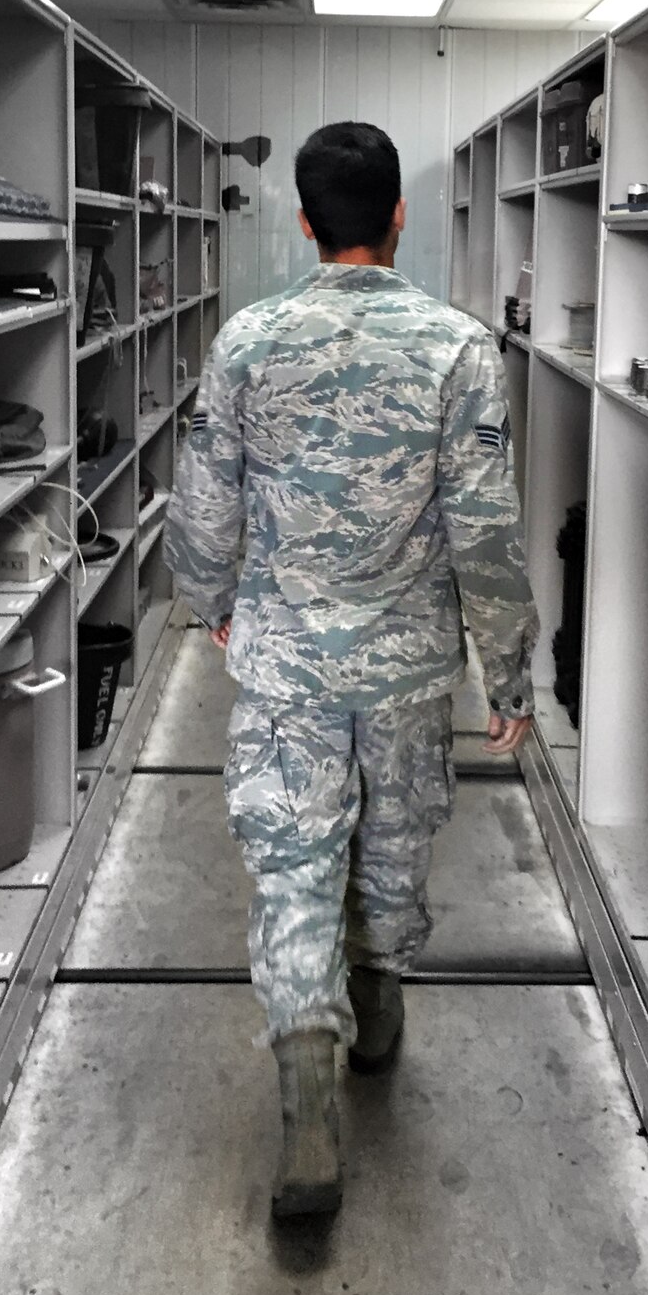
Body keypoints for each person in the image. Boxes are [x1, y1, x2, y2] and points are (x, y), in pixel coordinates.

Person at [164, 121, 538, 1220]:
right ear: (399, 215)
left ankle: (306, 1088)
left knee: (292, 863)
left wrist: (215, 603)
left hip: (286, 665)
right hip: (410, 667)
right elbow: (486, 529)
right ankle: (375, 1014)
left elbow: (201, 504)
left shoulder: (249, 340)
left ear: (303, 219)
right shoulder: (459, 349)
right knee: (394, 837)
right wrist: (506, 674)